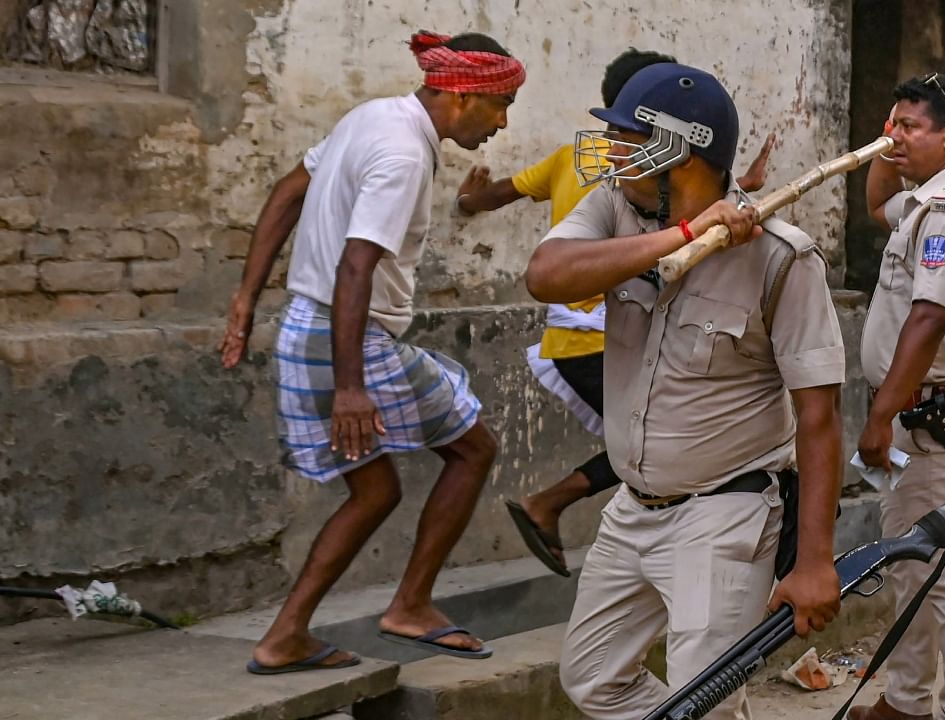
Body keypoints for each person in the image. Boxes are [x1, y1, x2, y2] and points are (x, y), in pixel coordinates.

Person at [525, 62, 845, 720]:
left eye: (627, 139)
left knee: (704, 701)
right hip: (632, 510)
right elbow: (546, 274)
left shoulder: (783, 259)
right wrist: (685, 236)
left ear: (681, 153)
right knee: (593, 679)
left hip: (723, 514)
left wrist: (814, 560)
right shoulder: (618, 207)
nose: (612, 154)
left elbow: (819, 415)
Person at [217, 30, 525, 673]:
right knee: (474, 448)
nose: (502, 121)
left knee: (375, 490)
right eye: (500, 103)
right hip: (345, 335)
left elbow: (286, 193)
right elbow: (356, 266)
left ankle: (285, 638)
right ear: (459, 94)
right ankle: (411, 605)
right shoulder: (405, 155)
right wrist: (352, 387)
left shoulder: (370, 117)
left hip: (308, 327)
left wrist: (247, 298)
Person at [452, 48, 776, 576]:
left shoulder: (568, 158)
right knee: (653, 441)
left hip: (571, 339)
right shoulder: (618, 183)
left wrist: (469, 202)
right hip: (601, 335)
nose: (614, 150)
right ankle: (550, 505)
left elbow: (502, 194)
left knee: (649, 440)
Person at [850, 73, 945, 720]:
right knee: (913, 564)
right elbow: (877, 205)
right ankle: (907, 701)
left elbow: (929, 319)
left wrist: (882, 415)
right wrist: (888, 151)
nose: (895, 134)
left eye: (910, 127)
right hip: (914, 411)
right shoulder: (926, 198)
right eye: (893, 122)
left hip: (927, 417)